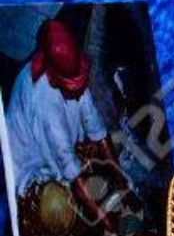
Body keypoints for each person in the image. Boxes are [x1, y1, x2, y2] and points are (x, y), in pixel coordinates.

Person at [6, 19, 133, 236]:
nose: (78, 90)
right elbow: (70, 168)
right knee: (58, 209)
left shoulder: (73, 71)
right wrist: (109, 226)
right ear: (54, 77)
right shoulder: (44, 100)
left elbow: (97, 131)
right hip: (30, 170)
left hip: (56, 148)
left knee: (102, 156)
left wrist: (124, 185)